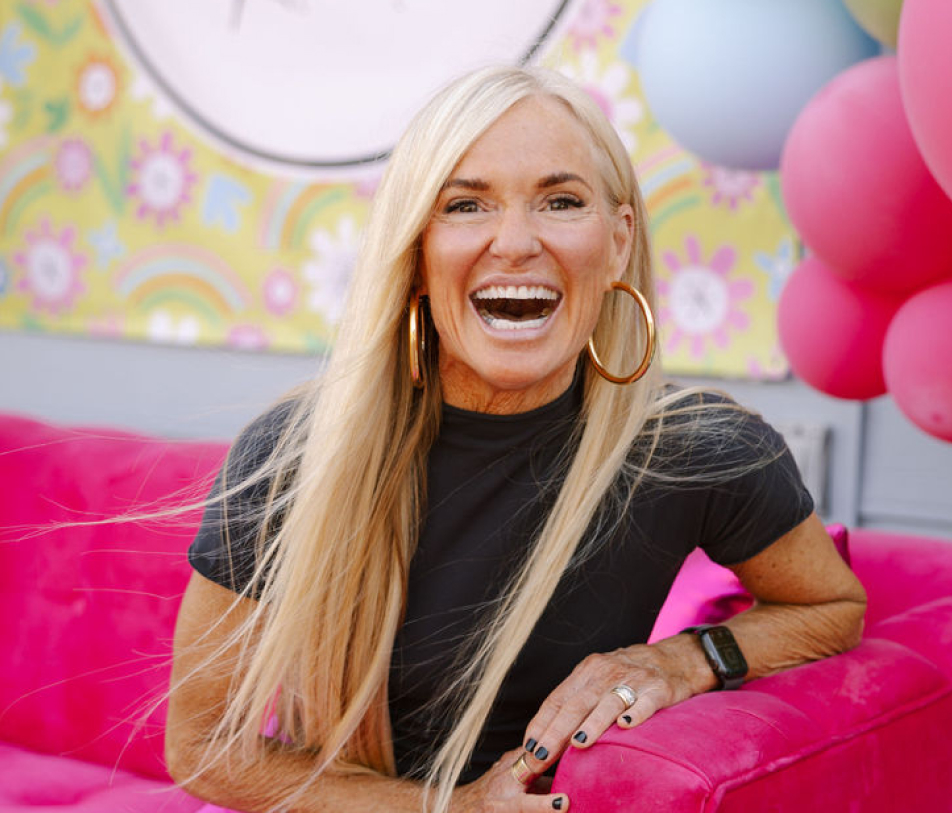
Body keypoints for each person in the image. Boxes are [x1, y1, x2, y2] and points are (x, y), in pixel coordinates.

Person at [166, 65, 866, 813]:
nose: (516, 242)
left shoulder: (700, 449)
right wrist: (449, 808)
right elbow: (201, 743)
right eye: (466, 204)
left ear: (619, 240)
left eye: (561, 201)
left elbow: (830, 606)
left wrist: (683, 659)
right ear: (417, 253)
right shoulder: (296, 453)